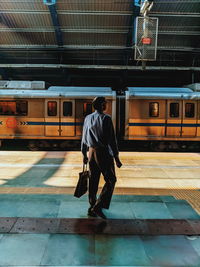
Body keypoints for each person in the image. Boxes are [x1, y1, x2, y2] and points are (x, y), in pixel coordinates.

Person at [81, 96, 122, 219]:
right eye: (105, 103)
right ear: (102, 105)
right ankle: (98, 206)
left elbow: (84, 137)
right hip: (103, 153)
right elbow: (112, 140)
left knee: (93, 180)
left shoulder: (88, 118)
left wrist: (84, 154)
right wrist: (116, 158)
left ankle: (91, 206)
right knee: (111, 180)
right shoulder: (106, 118)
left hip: (91, 152)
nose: (106, 105)